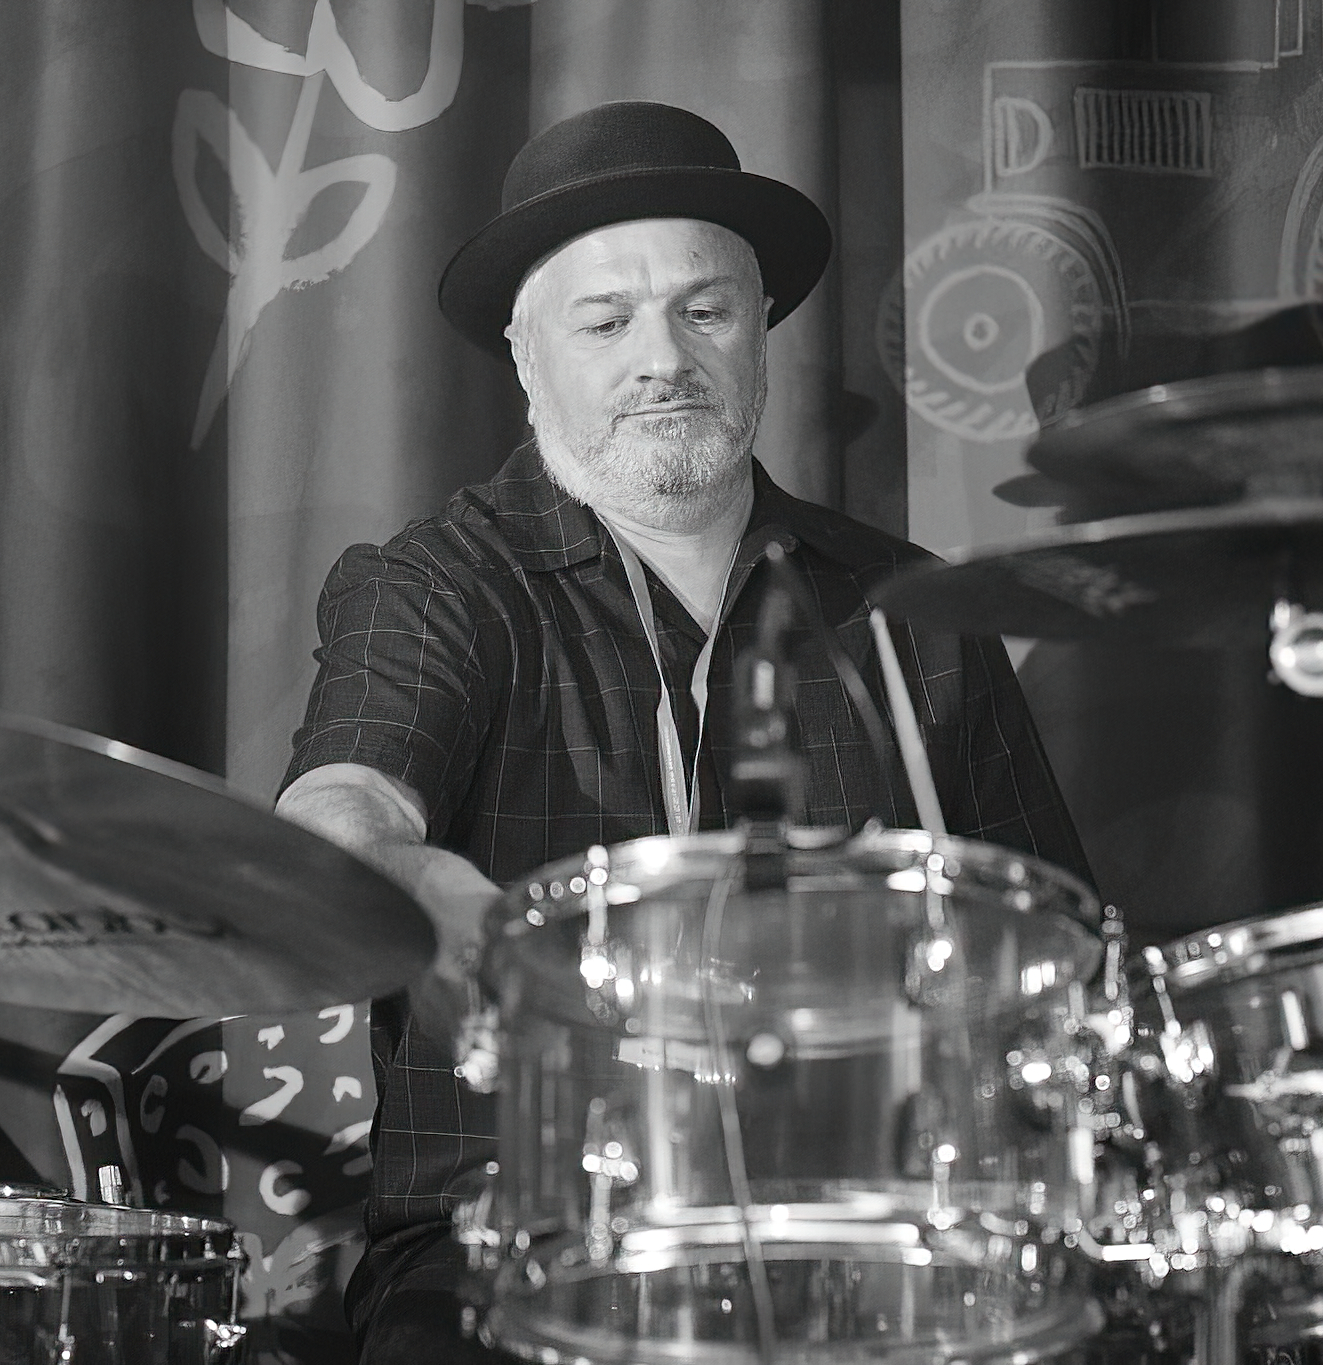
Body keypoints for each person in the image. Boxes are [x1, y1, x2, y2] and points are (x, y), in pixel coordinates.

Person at [275, 100, 1090, 1361]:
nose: (662, 359)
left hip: (864, 1239)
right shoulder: (435, 585)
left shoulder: (910, 610)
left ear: (760, 331)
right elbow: (342, 812)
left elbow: (1057, 951)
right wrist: (426, 898)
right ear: (526, 356)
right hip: (512, 1236)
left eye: (703, 311)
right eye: (604, 322)